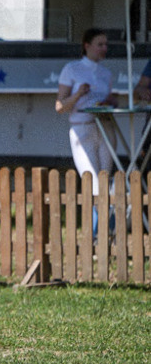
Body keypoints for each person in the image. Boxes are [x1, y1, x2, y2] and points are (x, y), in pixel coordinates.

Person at [56, 27, 118, 235]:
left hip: (104, 125)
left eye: (106, 45)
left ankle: (106, 232)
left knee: (104, 179)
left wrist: (109, 101)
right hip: (82, 128)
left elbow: (106, 99)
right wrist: (78, 94)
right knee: (91, 179)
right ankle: (95, 234)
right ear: (87, 46)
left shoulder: (106, 73)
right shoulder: (72, 69)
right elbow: (60, 106)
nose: (104, 49)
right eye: (100, 44)